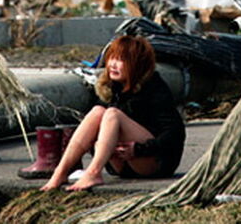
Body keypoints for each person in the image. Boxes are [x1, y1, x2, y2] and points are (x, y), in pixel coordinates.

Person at [41, 35, 185, 191]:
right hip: (120, 165)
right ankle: (61, 172)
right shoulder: (111, 88)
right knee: (97, 112)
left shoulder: (155, 88)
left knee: (112, 114)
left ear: (136, 64)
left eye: (121, 60)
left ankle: (94, 172)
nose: (112, 65)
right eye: (111, 58)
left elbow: (175, 133)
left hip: (153, 162)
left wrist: (139, 149)